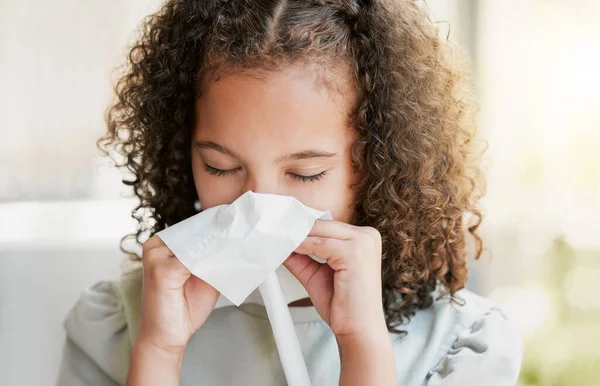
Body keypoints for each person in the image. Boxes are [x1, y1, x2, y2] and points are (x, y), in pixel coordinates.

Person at [55, 0, 522, 385]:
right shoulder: (118, 326)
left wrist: (362, 345)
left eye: (305, 174)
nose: (257, 205)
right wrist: (158, 353)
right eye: (221, 166)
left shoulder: (458, 346)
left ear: (379, 164)